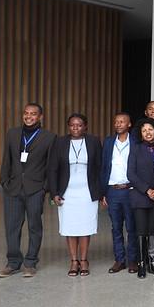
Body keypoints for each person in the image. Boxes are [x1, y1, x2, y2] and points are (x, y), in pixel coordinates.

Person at [0, 102, 56, 278]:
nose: (29, 116)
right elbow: (7, 159)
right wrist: (4, 181)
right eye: (26, 113)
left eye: (33, 114)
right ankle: (13, 262)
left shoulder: (49, 137)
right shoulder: (12, 133)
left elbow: (51, 165)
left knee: (34, 226)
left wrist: (45, 188)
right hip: (13, 188)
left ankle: (30, 262)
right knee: (11, 227)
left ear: (40, 117)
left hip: (35, 189)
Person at [48, 113, 102, 277]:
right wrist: (54, 193)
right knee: (70, 227)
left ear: (85, 126)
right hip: (67, 193)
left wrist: (101, 192)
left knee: (85, 227)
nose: (75, 128)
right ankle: (73, 260)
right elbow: (52, 169)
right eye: (72, 125)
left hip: (87, 192)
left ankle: (84, 260)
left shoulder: (93, 141)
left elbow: (100, 167)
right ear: (68, 126)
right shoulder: (60, 142)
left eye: (79, 125)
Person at [127, 119, 154, 279]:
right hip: (140, 196)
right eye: (144, 131)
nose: (148, 133)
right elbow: (131, 174)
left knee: (153, 231)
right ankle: (142, 264)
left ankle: (153, 263)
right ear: (140, 134)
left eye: (150, 129)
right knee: (141, 231)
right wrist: (147, 190)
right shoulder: (136, 149)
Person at [101, 112, 138, 274]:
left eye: (122, 122)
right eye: (116, 122)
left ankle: (133, 260)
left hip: (130, 189)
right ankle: (119, 260)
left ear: (129, 124)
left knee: (132, 227)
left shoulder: (135, 142)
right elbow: (103, 167)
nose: (118, 124)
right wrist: (103, 192)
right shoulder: (108, 142)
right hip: (113, 190)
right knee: (116, 227)